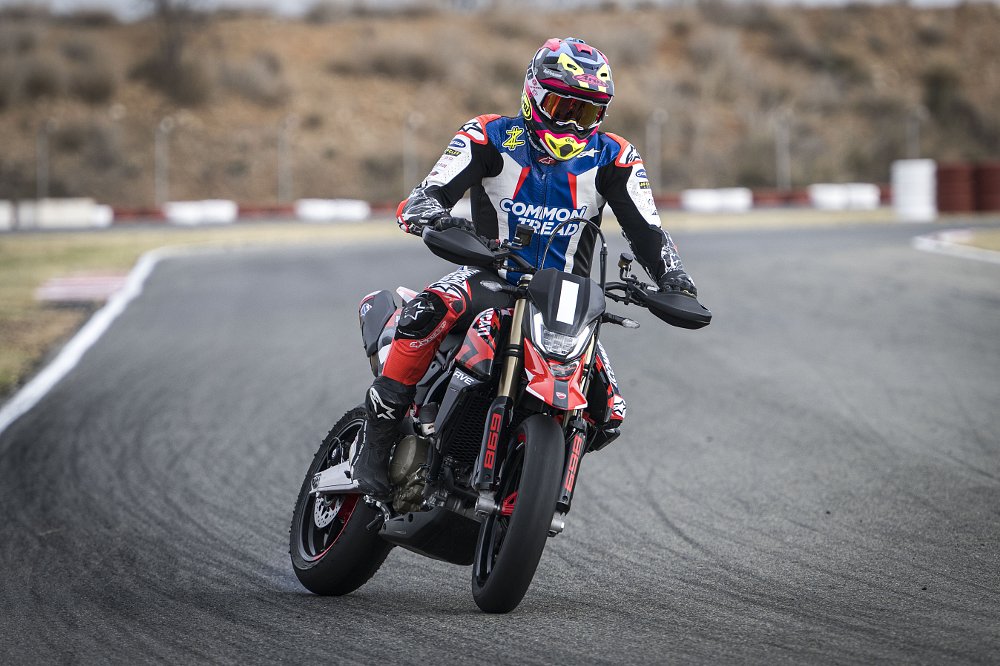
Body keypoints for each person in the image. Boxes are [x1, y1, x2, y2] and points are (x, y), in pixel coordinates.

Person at [353, 37, 697, 498]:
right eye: (562, 106)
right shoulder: (488, 134)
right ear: (533, 95)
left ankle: (524, 474)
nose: (571, 123)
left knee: (610, 412)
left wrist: (675, 279)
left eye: (586, 113)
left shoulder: (616, 157)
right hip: (492, 277)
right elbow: (426, 194)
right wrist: (431, 216)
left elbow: (649, 230)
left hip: (566, 300)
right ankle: (375, 445)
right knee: (426, 311)